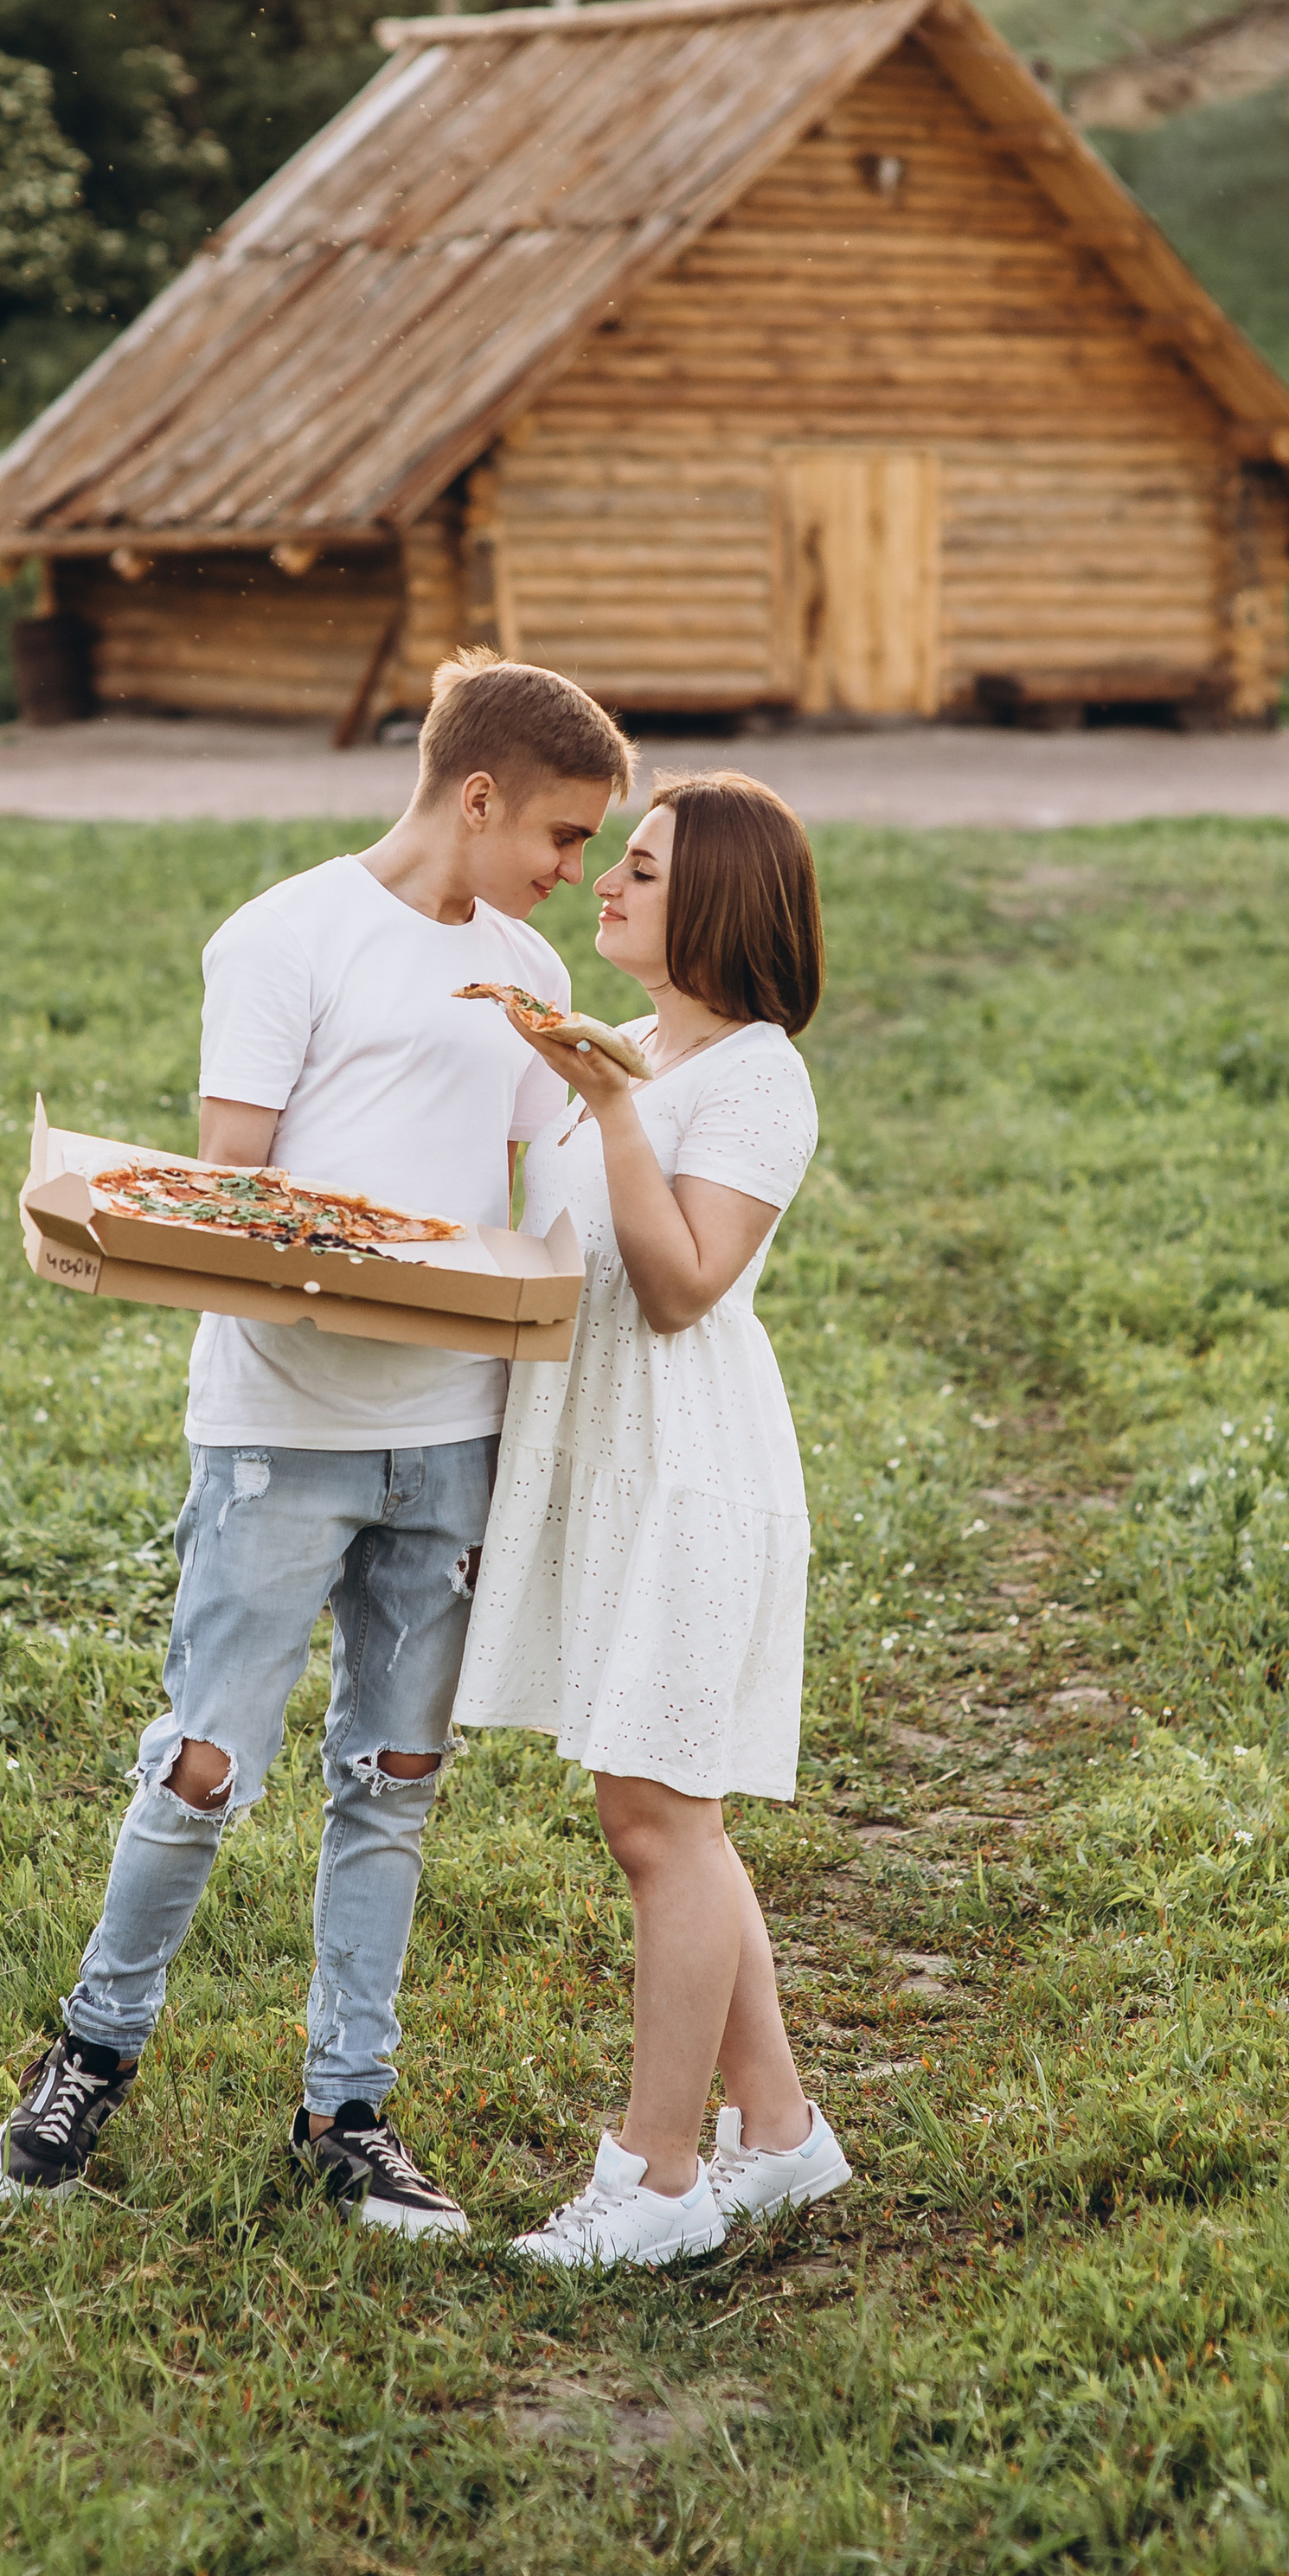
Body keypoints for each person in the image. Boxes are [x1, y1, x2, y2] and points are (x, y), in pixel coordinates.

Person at [0, 651, 636, 2236]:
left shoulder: (529, 972)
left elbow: (519, 1200)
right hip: (283, 1423)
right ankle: (89, 2058)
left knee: (395, 1778)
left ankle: (348, 2113)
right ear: (476, 795)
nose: (573, 869)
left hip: (450, 1434)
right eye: (560, 833)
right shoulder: (284, 937)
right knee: (204, 1764)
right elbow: (237, 1198)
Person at [454, 770, 852, 2269]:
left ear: (720, 903)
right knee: (669, 1811)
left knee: (658, 1817)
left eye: (640, 866)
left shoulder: (755, 1076)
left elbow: (682, 1286)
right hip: (606, 1462)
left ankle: (661, 2173)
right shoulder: (626, 1047)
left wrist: (615, 1105)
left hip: (692, 1470)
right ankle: (783, 2131)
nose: (604, 884)